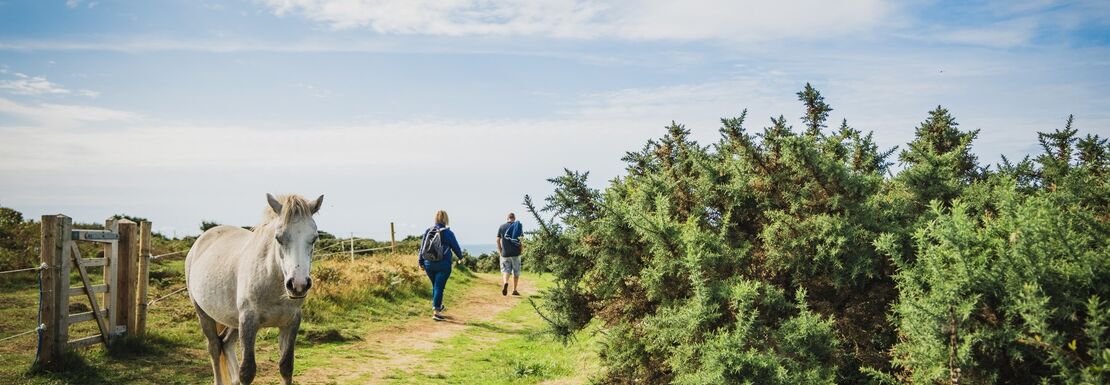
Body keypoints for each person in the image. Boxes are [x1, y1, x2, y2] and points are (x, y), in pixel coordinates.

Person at [419, 210, 464, 321]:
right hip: (443, 264)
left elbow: (422, 247)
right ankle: (436, 312)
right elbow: (455, 246)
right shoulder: (448, 233)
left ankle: (438, 305)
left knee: (436, 286)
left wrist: (420, 262)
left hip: (428, 263)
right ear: (446, 219)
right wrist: (461, 257)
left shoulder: (428, 231)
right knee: (439, 286)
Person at [496, 212, 524, 296]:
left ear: (507, 218)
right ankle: (514, 290)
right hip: (516, 254)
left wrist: (500, 251)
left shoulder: (501, 227)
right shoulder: (517, 226)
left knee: (506, 270)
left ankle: (505, 283)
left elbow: (497, 240)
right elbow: (522, 240)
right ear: (514, 218)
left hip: (505, 254)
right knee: (516, 272)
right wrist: (522, 250)